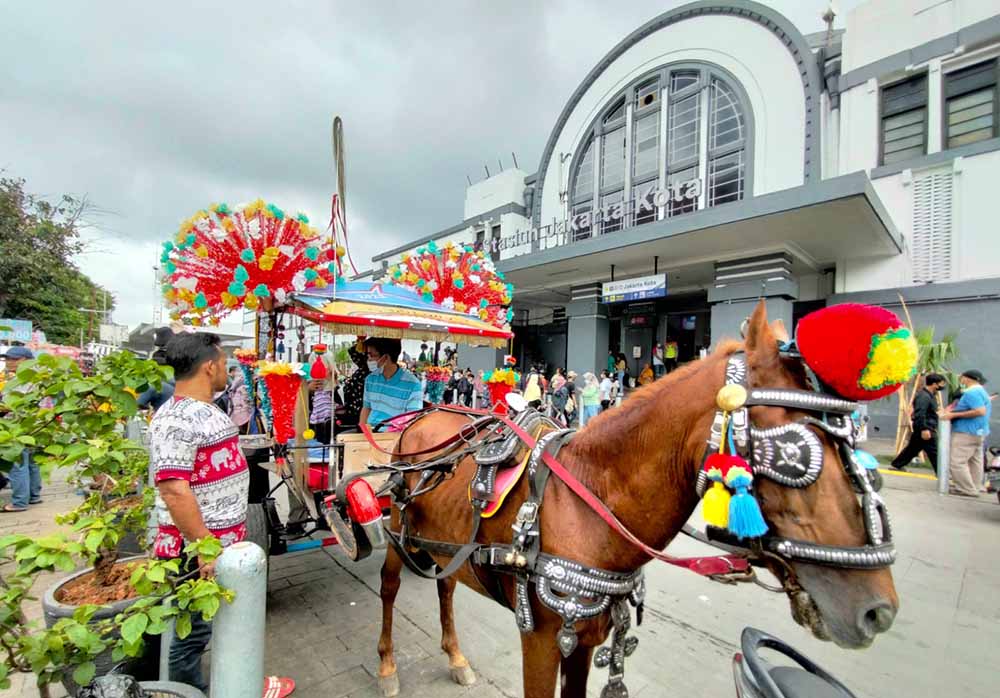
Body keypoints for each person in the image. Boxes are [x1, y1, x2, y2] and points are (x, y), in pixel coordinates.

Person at [148, 334, 295, 696]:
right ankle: (187, 691)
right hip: (196, 552)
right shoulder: (174, 418)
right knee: (191, 633)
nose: (228, 369)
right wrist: (205, 546)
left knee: (214, 624)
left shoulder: (206, 408)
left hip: (219, 545)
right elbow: (173, 489)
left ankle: (237, 683)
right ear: (209, 366)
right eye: (224, 362)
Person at [2, 347, 42, 512]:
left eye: (13, 359)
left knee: (18, 462)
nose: (8, 361)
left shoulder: (26, 379)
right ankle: (33, 495)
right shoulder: (33, 377)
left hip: (18, 424)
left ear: (25, 360)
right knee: (31, 461)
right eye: (7, 358)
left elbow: (15, 405)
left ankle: (19, 502)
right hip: (33, 424)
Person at [942, 369, 993, 497]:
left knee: (957, 461)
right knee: (975, 461)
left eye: (962, 377)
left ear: (967, 378)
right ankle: (975, 486)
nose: (960, 380)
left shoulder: (972, 393)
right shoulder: (982, 392)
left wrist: (953, 415)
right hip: (980, 431)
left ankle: (966, 489)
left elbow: (980, 411)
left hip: (966, 432)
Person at [360, 337, 424, 430]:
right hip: (370, 432)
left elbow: (412, 420)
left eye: (371, 355)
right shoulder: (370, 379)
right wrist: (362, 432)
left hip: (394, 437)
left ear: (385, 357)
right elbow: (366, 408)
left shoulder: (413, 385)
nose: (368, 359)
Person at [891, 373, 944, 472]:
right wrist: (924, 428)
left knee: (913, 448)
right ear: (934, 384)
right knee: (934, 452)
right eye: (940, 384)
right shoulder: (924, 397)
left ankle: (897, 464)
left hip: (925, 427)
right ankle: (942, 474)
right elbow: (920, 414)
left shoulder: (930, 396)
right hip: (926, 427)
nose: (942, 386)